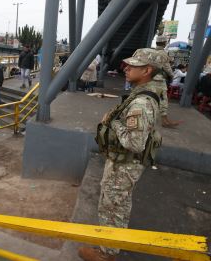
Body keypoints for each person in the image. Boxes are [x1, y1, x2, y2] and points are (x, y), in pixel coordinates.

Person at [79, 48, 162, 261]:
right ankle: (112, 247)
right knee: (120, 205)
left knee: (111, 205)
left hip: (124, 164)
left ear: (147, 70)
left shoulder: (141, 103)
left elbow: (134, 142)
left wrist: (113, 122)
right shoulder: (145, 94)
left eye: (133, 65)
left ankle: (106, 254)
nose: (126, 68)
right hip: (128, 165)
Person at [151, 36, 179, 128]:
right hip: (159, 80)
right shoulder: (163, 53)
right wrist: (172, 75)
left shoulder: (151, 52)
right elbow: (167, 67)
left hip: (150, 78)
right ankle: (164, 120)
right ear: (164, 43)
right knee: (163, 99)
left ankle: (161, 119)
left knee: (150, 98)